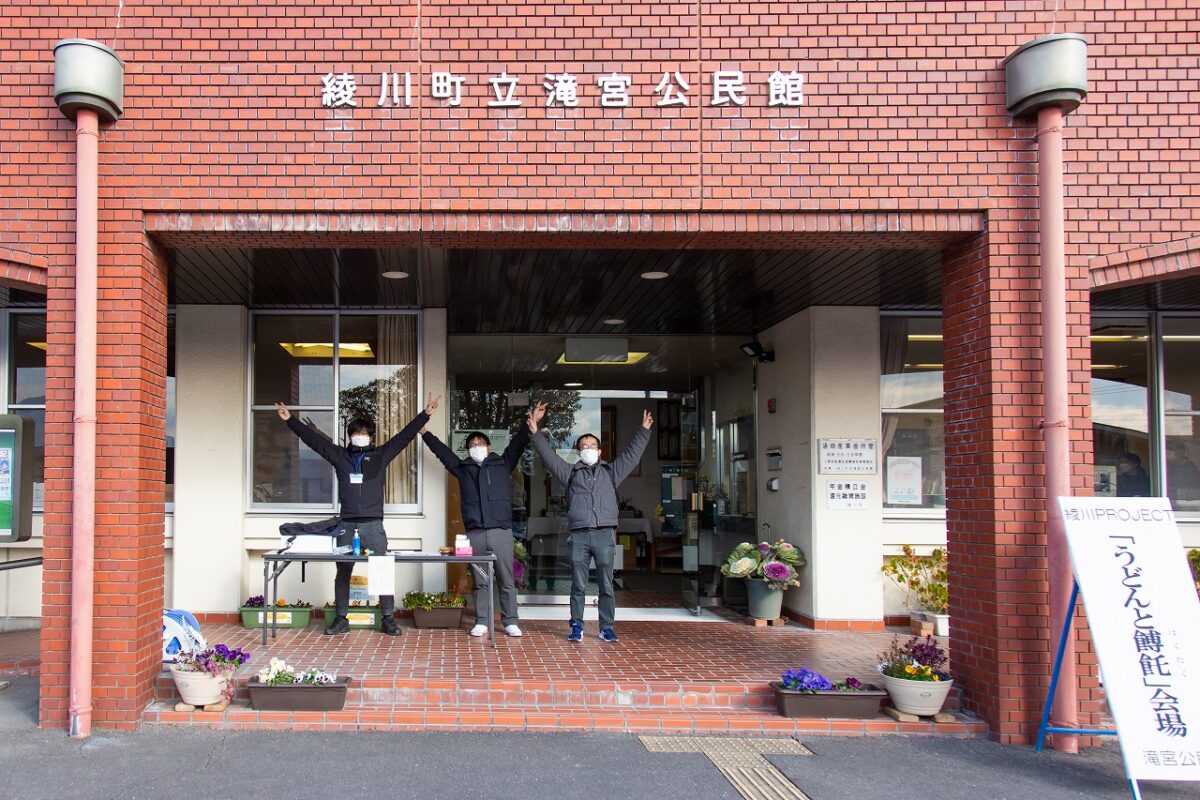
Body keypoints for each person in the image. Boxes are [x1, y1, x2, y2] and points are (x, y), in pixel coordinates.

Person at [275, 394, 439, 636]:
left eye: (364, 432)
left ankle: (388, 619)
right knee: (343, 572)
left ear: (371, 436)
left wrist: (425, 415)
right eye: (356, 432)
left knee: (382, 570)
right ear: (350, 435)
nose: (360, 436)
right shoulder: (340, 456)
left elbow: (404, 437)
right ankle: (341, 619)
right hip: (347, 525)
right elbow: (315, 442)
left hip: (373, 525)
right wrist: (290, 420)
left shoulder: (381, 455)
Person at [527, 400, 652, 643]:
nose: (588, 449)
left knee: (606, 585)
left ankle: (607, 627)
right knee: (578, 585)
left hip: (605, 534)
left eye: (592, 446)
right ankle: (576, 626)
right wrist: (535, 431)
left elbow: (632, 456)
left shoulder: (611, 472)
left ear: (600, 451)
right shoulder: (570, 473)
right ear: (578, 452)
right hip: (579, 535)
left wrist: (644, 431)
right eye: (584, 446)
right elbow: (548, 456)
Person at [421, 417, 531, 638]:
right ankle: (482, 621)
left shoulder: (503, 463)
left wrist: (529, 424)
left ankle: (510, 621)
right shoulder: (462, 469)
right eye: (472, 445)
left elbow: (518, 443)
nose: (477, 447)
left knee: (506, 579)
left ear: (489, 447)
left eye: (480, 443)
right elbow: (442, 453)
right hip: (475, 533)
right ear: (467, 450)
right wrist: (424, 432)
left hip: (501, 532)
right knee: (480, 580)